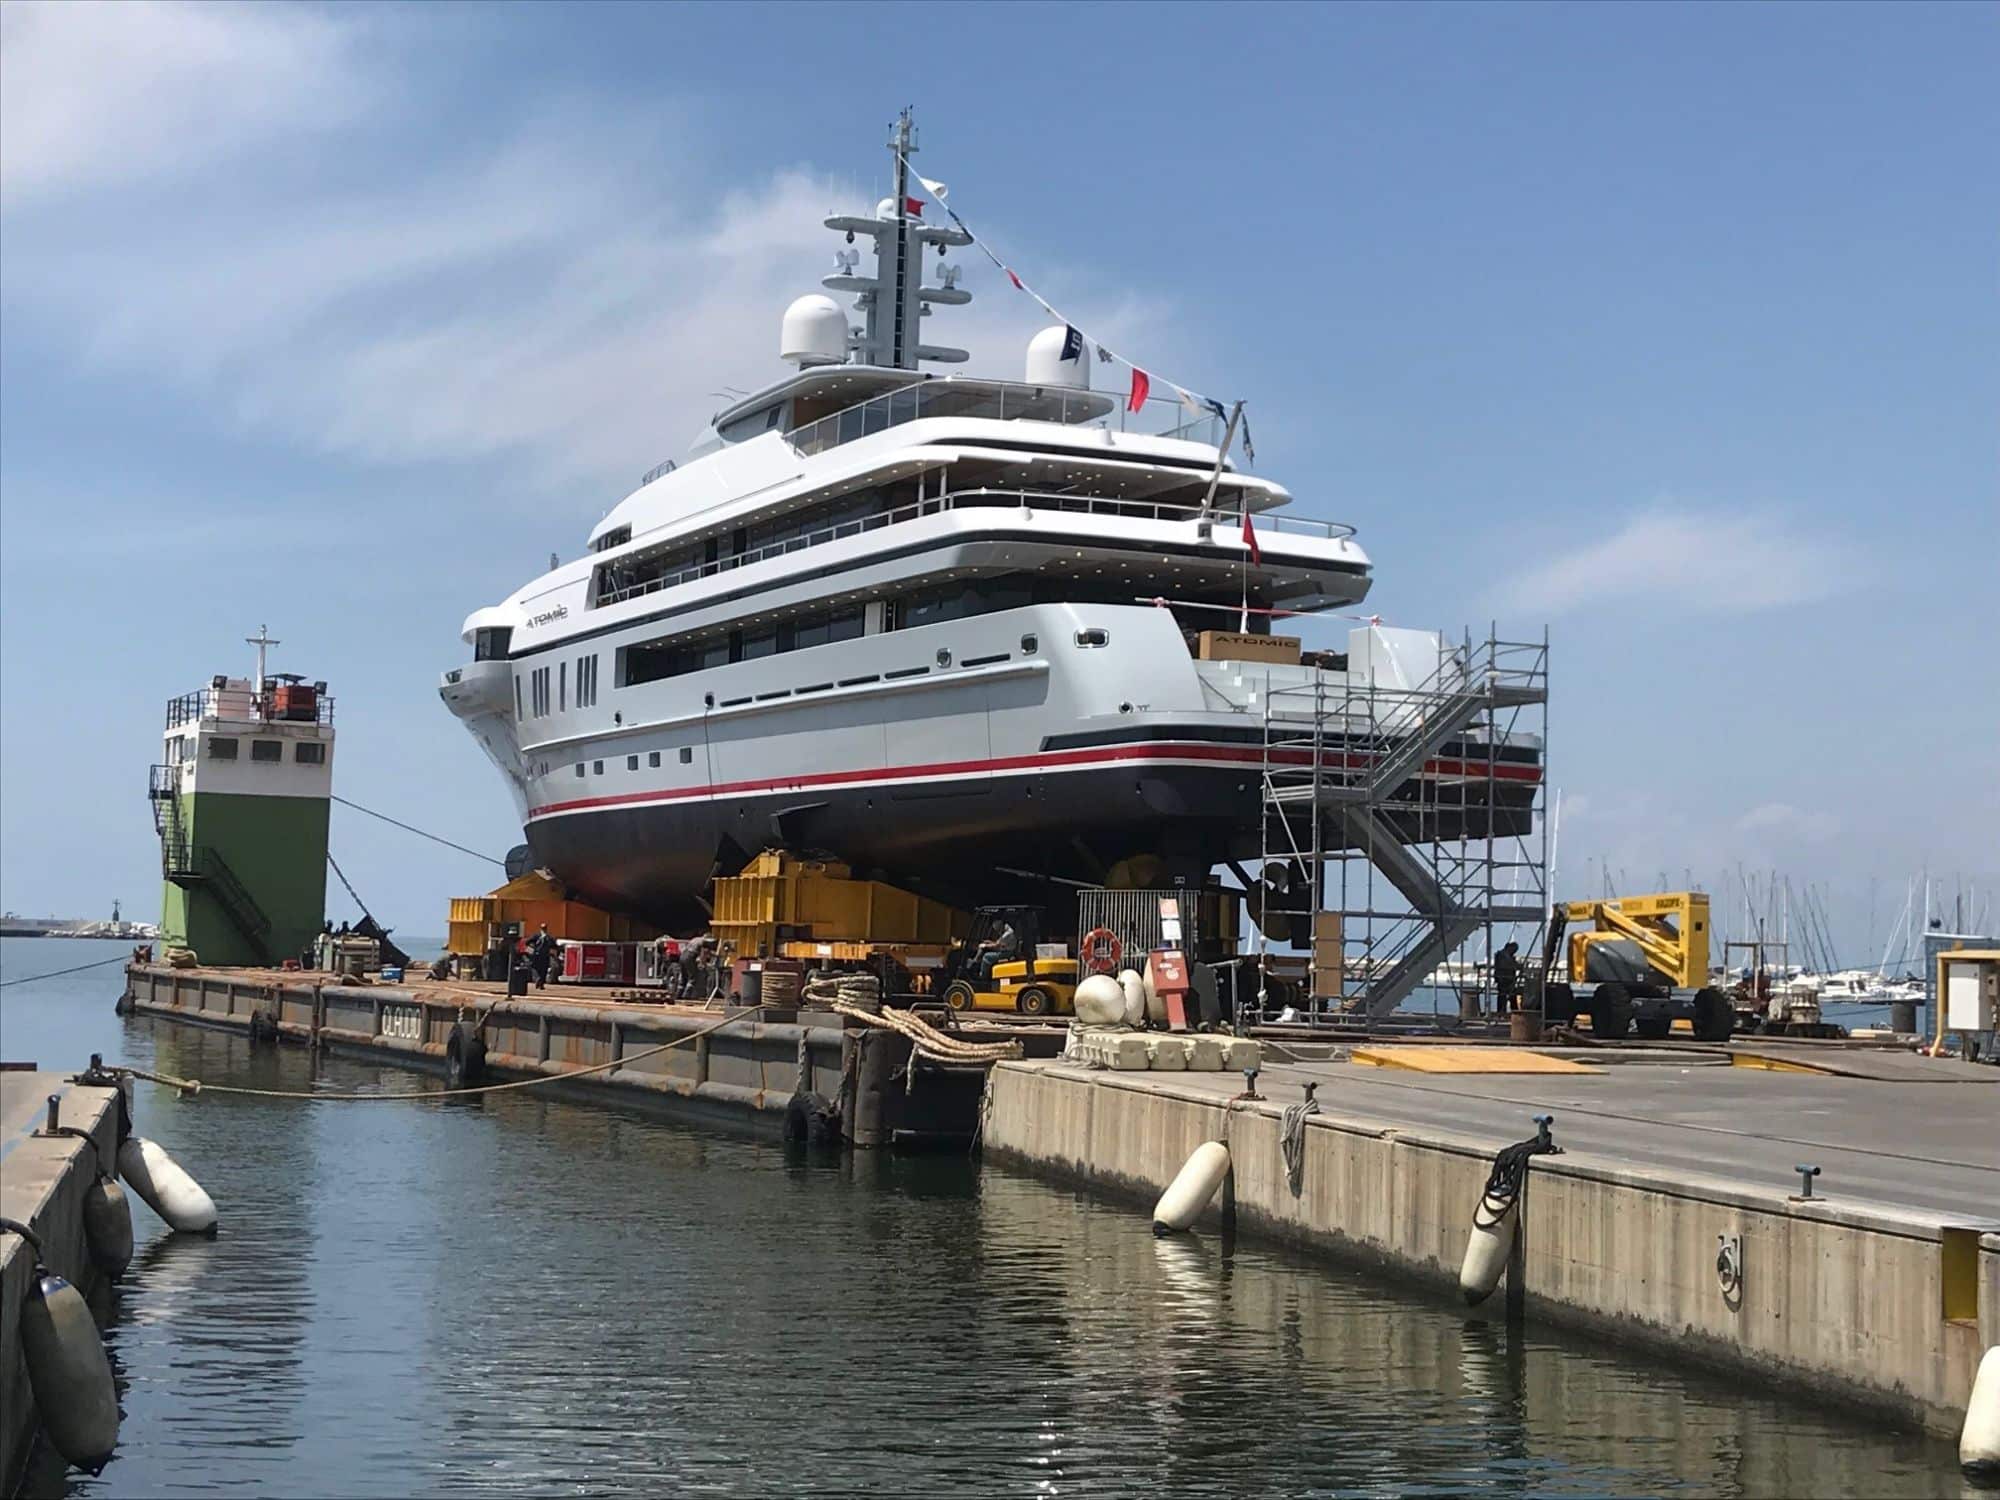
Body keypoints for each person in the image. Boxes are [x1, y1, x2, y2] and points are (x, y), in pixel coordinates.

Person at [974, 917, 1020, 987]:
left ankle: (982, 976)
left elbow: (996, 945)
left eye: (997, 930)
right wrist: (988, 942)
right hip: (1006, 951)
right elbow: (998, 943)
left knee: (986, 956)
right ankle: (978, 964)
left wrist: (985, 945)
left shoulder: (1007, 934)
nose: (997, 932)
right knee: (988, 950)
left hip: (1006, 953)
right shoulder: (1006, 931)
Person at [526, 923, 556, 990]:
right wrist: (531, 950)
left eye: (544, 928)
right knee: (537, 969)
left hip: (544, 956)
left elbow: (554, 946)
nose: (544, 930)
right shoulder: (537, 936)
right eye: (543, 928)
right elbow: (527, 942)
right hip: (538, 955)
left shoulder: (548, 937)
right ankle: (539, 981)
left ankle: (540, 983)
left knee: (543, 970)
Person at [1494, 941, 1521, 1012]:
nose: (1514, 952)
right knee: (1503, 996)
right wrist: (1516, 966)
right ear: (1510, 948)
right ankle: (1503, 1012)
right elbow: (1508, 965)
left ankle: (1514, 1011)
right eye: (1514, 950)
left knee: (1511, 996)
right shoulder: (1502, 955)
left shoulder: (1508, 956)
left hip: (1509, 979)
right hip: (1504, 979)